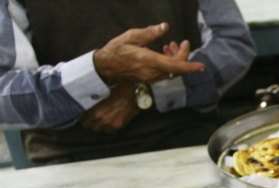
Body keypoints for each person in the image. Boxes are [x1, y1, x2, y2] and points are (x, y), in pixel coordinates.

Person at [0, 0, 256, 164]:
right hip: (68, 158)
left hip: (186, 141)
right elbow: (5, 91)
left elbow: (232, 44)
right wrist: (97, 72)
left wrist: (144, 93)